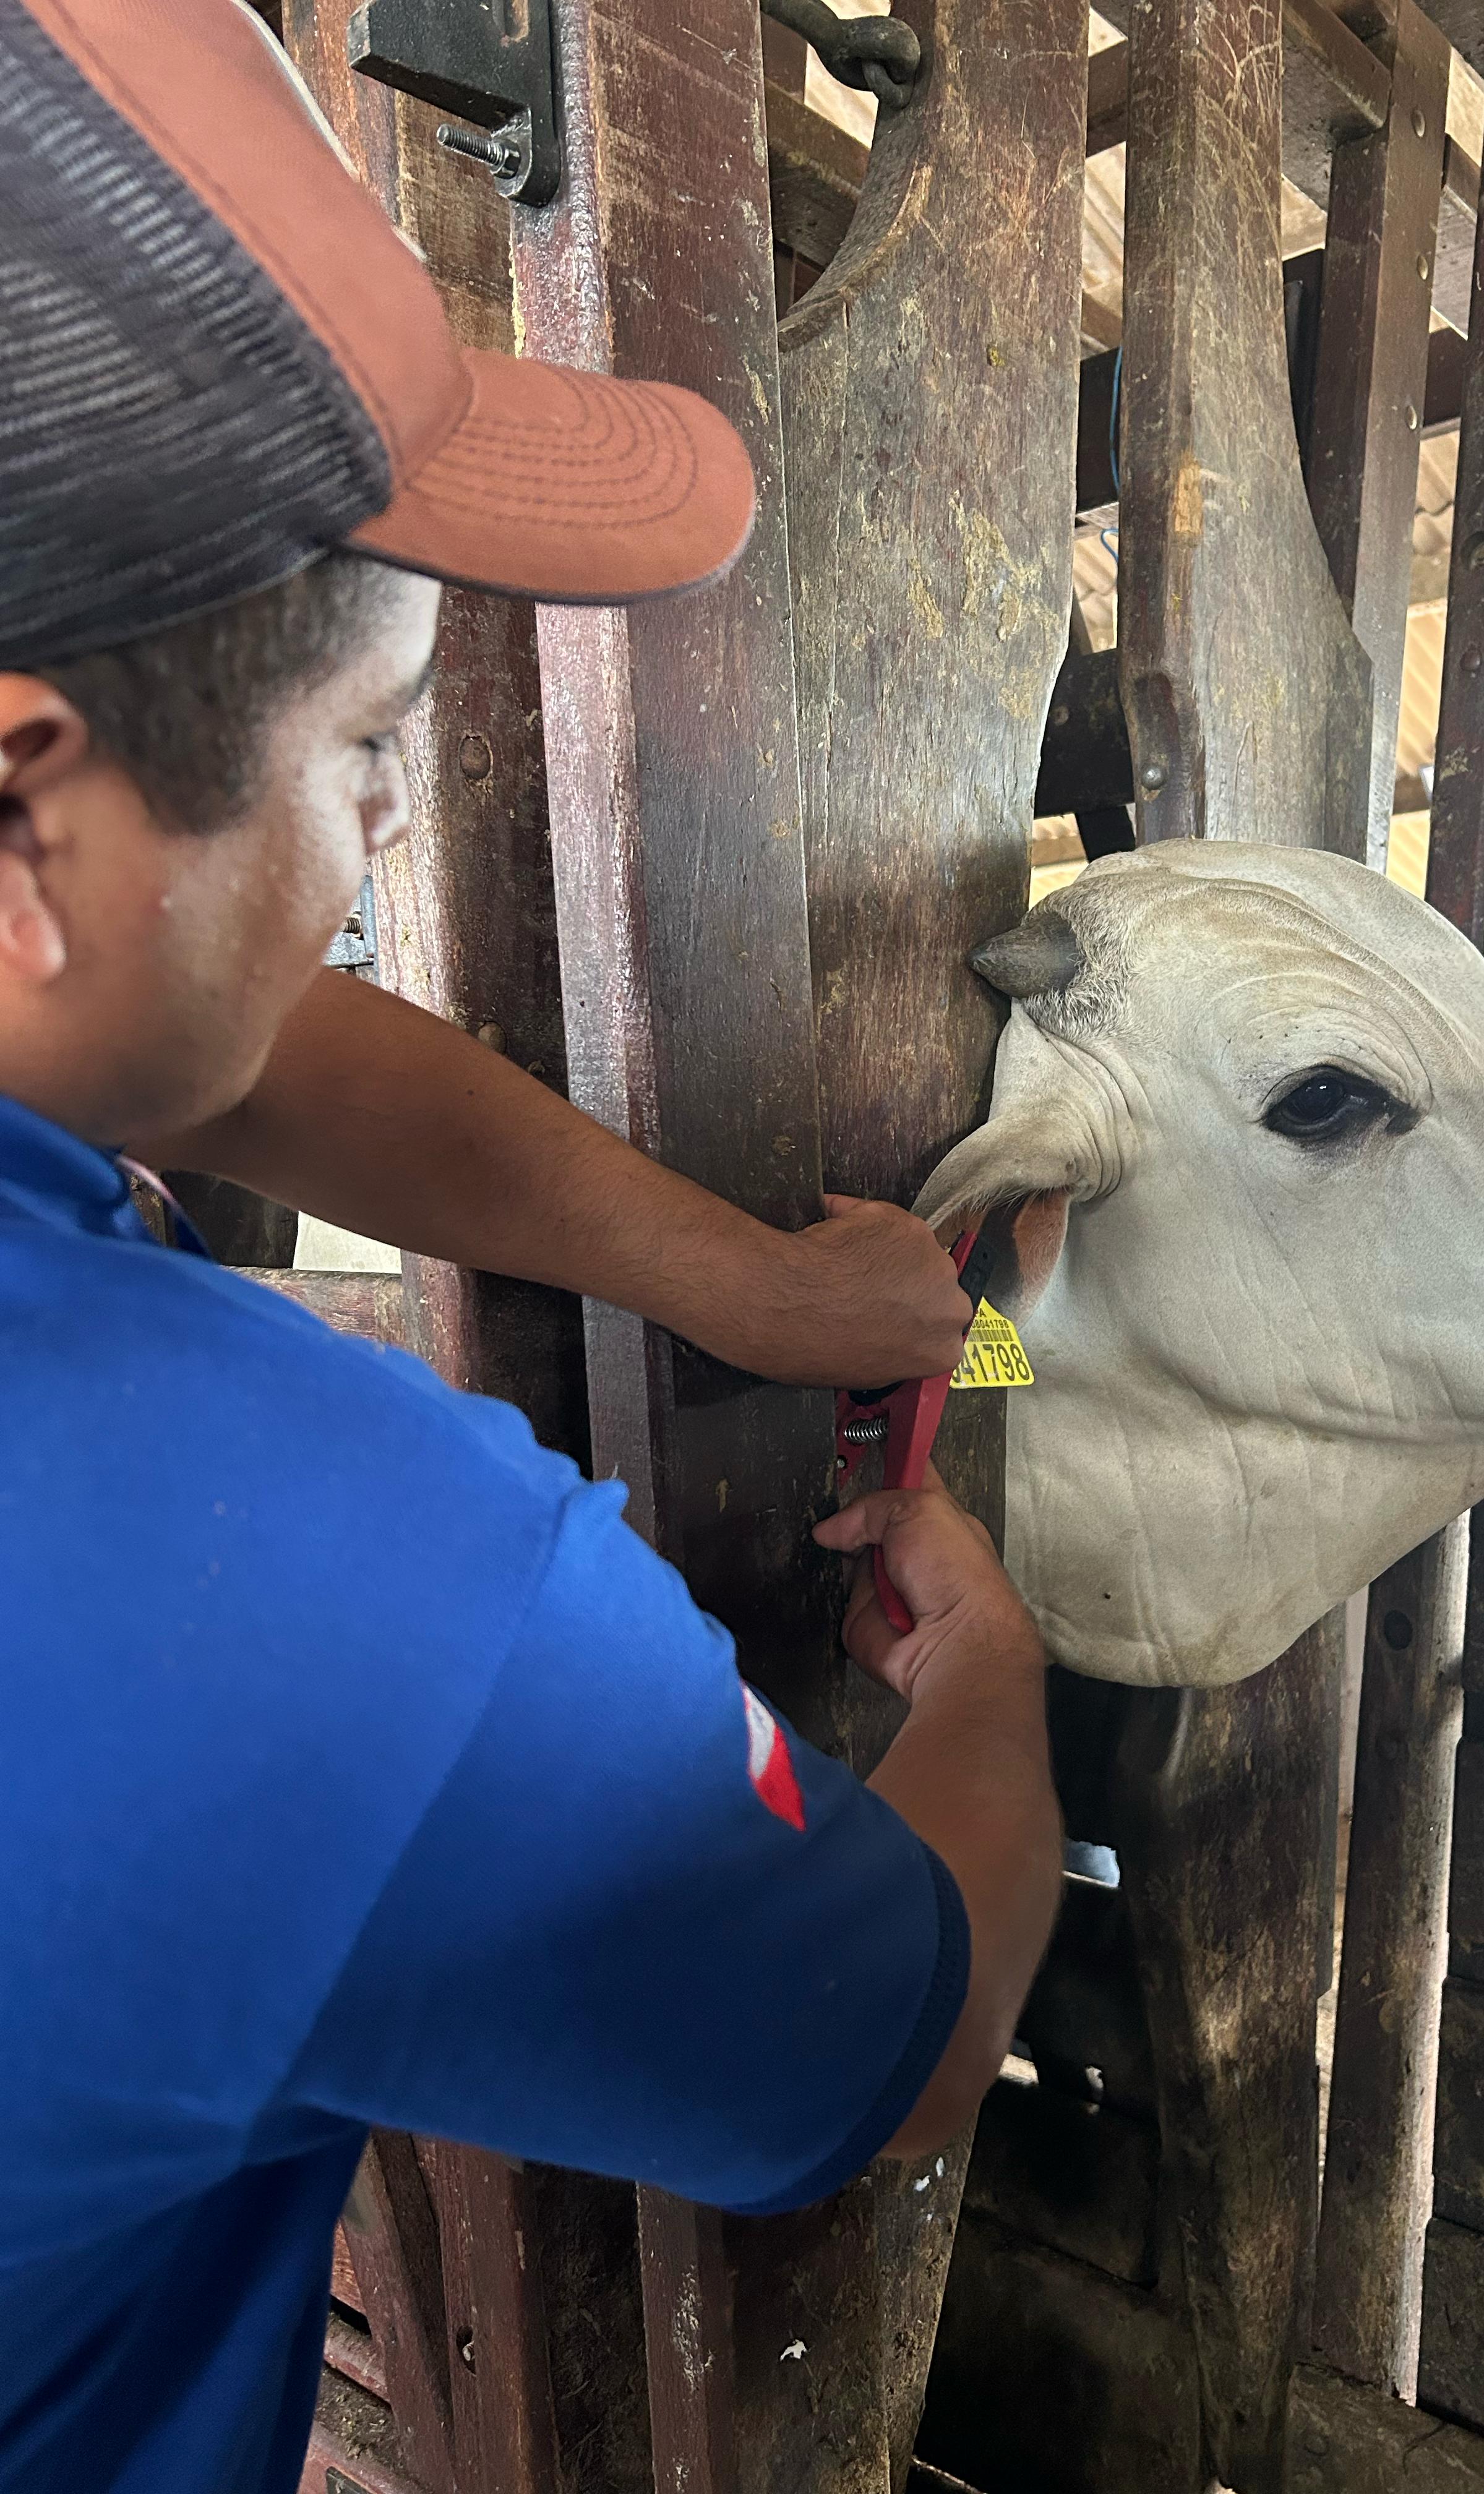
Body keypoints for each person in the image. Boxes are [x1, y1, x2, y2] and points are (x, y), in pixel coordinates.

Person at [0, 7, 1060, 2491]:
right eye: (372, 752)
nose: (377, 849)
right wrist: (998, 1690)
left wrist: (737, 1284)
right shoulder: (324, 1593)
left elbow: (189, 1030)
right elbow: (903, 2045)